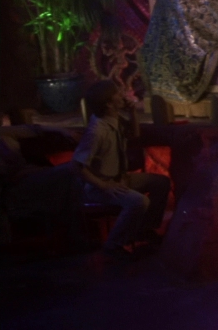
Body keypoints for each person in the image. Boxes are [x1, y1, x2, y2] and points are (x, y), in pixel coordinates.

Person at [72, 80, 170, 260]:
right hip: (100, 186)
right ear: (109, 104)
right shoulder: (97, 131)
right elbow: (77, 166)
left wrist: (132, 113)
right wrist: (104, 185)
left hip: (120, 178)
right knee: (139, 202)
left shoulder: (113, 119)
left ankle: (144, 230)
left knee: (160, 182)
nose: (122, 95)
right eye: (117, 93)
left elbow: (134, 134)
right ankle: (113, 245)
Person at [0, 123, 85, 250]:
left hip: (31, 177)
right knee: (69, 174)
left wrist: (65, 131)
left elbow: (36, 129)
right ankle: (75, 236)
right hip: (13, 190)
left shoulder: (4, 132)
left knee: (74, 170)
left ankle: (77, 233)